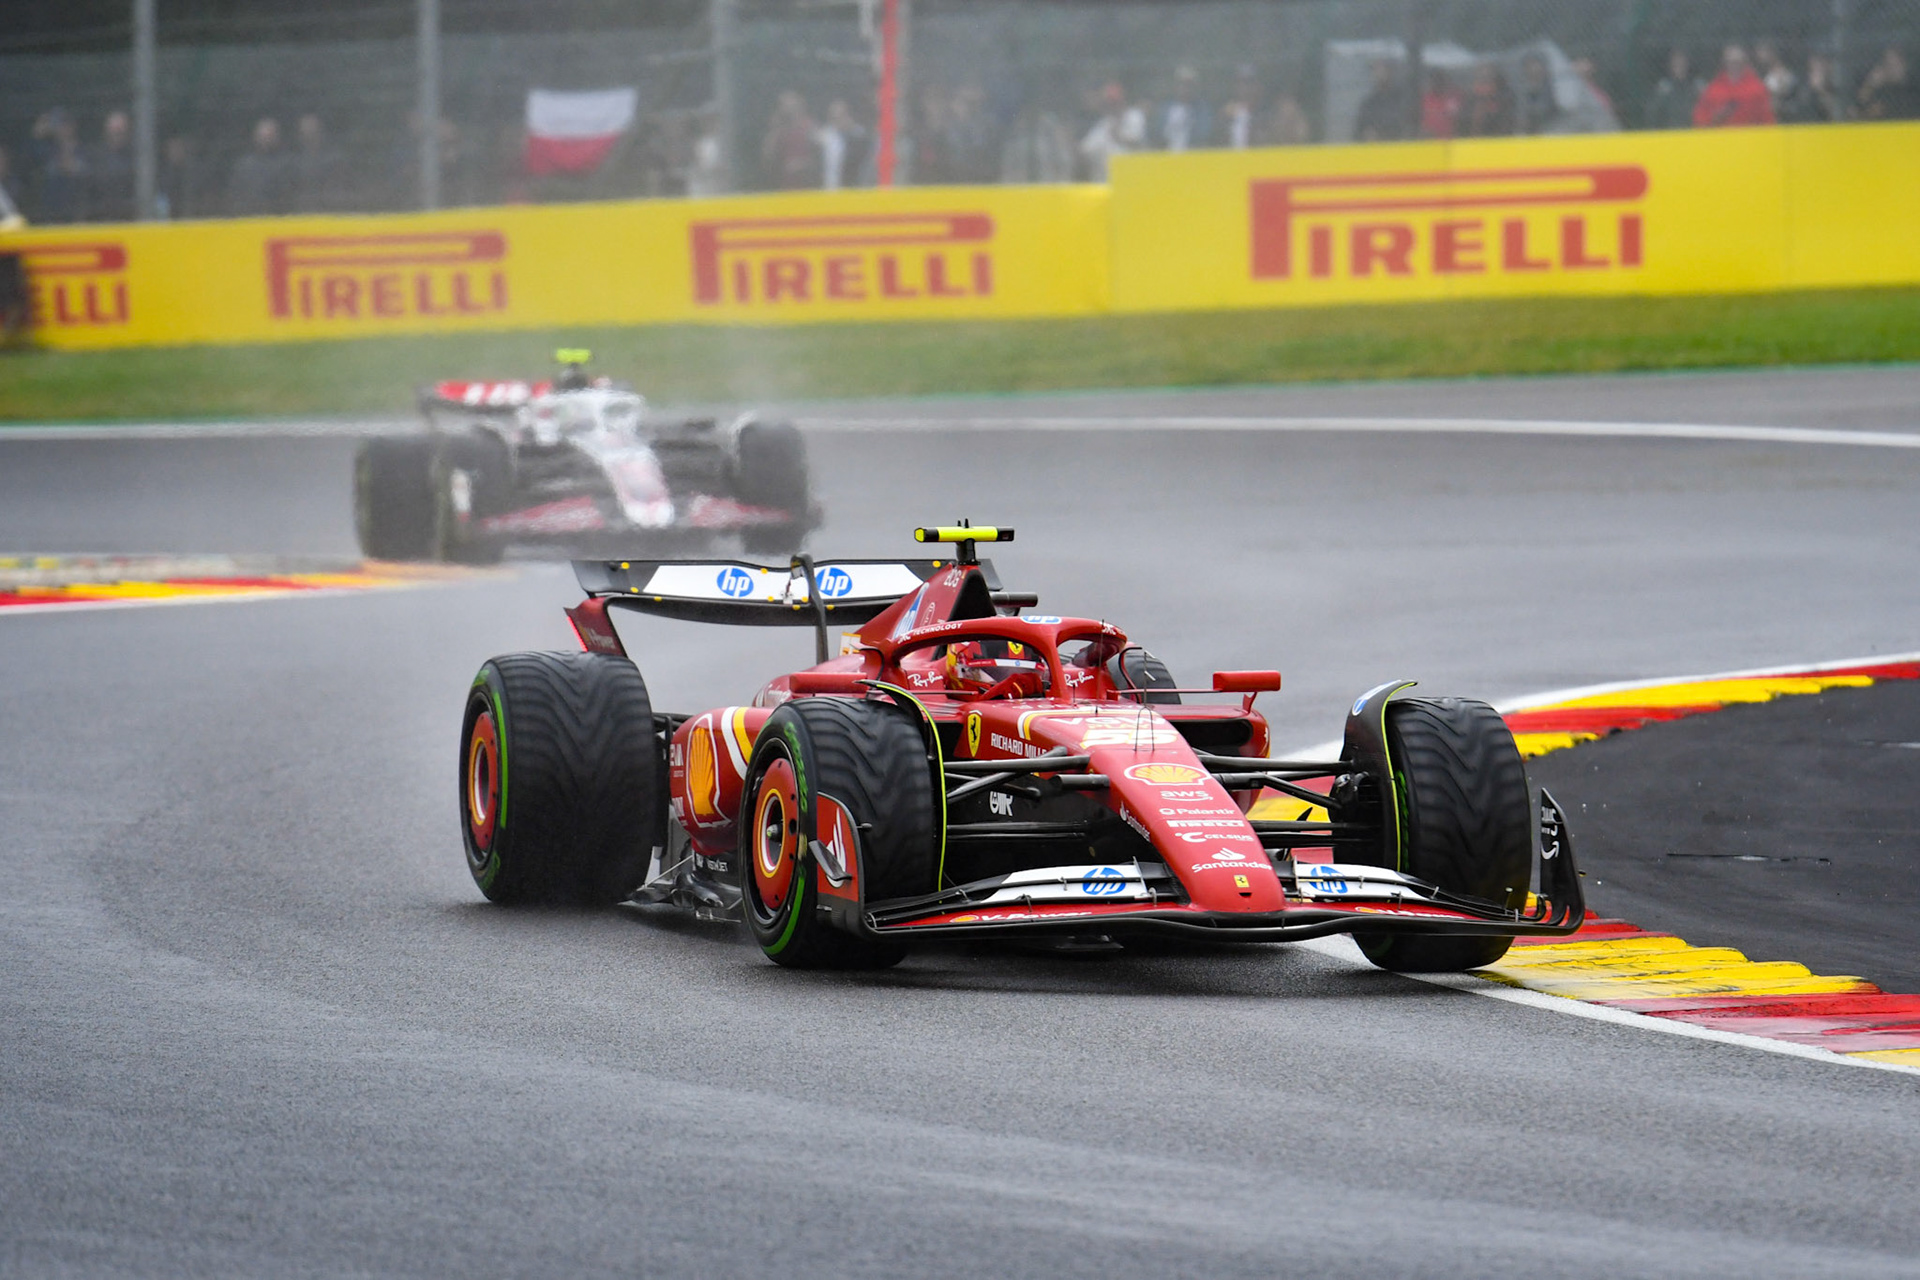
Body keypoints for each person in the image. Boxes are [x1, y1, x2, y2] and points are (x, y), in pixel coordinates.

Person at [1693, 44, 1775, 126]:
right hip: (1721, 137)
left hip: (1749, 136)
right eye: (1730, 61)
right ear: (1724, 62)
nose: (1734, 65)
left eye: (1738, 62)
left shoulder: (1758, 87)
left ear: (1745, 62)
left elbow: (1768, 119)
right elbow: (1699, 118)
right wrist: (1715, 117)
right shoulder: (1713, 88)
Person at [29, 109, 87, 224]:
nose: (63, 129)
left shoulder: (83, 150)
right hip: (51, 213)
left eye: (66, 124)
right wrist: (37, 135)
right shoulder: (47, 151)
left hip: (76, 213)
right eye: (59, 125)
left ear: (73, 126)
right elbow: (30, 161)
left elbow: (86, 176)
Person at [1078, 82, 1144, 181]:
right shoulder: (1102, 125)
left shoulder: (1134, 116)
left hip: (1131, 178)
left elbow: (1135, 140)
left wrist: (1117, 134)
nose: (1114, 107)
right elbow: (1085, 149)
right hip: (1106, 183)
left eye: (1116, 103)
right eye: (1110, 104)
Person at [227, 116, 291, 215]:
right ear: (255, 137)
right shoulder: (245, 165)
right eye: (263, 136)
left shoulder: (288, 165)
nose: (266, 140)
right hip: (250, 219)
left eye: (270, 136)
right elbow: (236, 195)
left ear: (277, 137)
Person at [761, 91, 817, 190]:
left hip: (807, 187)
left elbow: (819, 159)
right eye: (782, 104)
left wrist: (801, 164)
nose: (784, 107)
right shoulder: (780, 129)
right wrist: (774, 130)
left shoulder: (809, 126)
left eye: (787, 103)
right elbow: (767, 157)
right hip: (785, 187)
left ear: (798, 104)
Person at [87, 111, 133, 221]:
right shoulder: (95, 157)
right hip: (99, 219)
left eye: (121, 129)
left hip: (129, 220)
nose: (117, 131)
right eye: (114, 129)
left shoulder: (137, 159)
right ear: (106, 129)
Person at [292, 114, 343, 213]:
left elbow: (337, 188)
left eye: (312, 129)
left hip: (330, 211)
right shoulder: (293, 162)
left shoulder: (333, 159)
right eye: (305, 130)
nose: (308, 132)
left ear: (319, 131)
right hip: (300, 212)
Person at [1644, 48, 1704, 130]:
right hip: (1671, 134)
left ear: (1687, 64)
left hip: (1694, 133)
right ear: (1670, 65)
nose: (1679, 65)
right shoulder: (1663, 88)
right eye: (1676, 63)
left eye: (1682, 62)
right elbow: (1653, 113)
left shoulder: (1697, 86)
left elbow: (1707, 110)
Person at [1856, 47, 1920, 121]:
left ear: (1905, 64)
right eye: (1887, 64)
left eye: (1895, 64)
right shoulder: (1883, 91)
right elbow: (1857, 109)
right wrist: (1870, 84)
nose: (1891, 69)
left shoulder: (1915, 87)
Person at [1353, 59, 1410, 141]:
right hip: (1376, 151)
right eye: (1375, 70)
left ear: (1390, 71)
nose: (1378, 73)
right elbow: (1359, 131)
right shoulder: (1368, 103)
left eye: (1382, 69)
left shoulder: (1402, 99)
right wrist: (1367, 134)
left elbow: (1408, 127)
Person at [1778, 53, 1844, 124]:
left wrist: (1821, 90)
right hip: (1804, 124)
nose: (1817, 65)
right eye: (1814, 61)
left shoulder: (1835, 82)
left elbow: (1835, 112)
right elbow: (1793, 105)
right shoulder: (1801, 82)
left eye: (1820, 61)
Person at [816, 99, 867, 190]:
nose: (838, 119)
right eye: (834, 116)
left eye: (842, 115)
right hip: (830, 189)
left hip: (854, 188)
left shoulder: (859, 134)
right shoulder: (824, 136)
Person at [1159, 65, 1211, 151]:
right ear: (1175, 85)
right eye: (1181, 83)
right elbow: (1158, 132)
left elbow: (1203, 133)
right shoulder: (1166, 108)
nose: (1185, 87)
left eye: (1189, 84)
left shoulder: (1202, 109)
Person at [1459, 62, 1515, 136]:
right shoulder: (1469, 100)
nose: (1484, 83)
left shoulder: (1504, 99)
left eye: (1488, 78)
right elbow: (1462, 124)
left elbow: (1508, 123)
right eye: (1481, 78)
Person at [1515, 53, 1561, 132]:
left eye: (1536, 64)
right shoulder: (1520, 91)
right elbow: (1520, 114)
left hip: (1552, 129)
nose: (1534, 68)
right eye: (1529, 66)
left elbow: (1555, 110)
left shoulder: (1555, 87)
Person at [1420, 68, 1461, 138]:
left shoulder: (1452, 98)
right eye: (1434, 80)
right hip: (1428, 140)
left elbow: (1458, 120)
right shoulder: (1427, 98)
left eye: (1440, 80)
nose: (1437, 83)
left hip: (1449, 140)